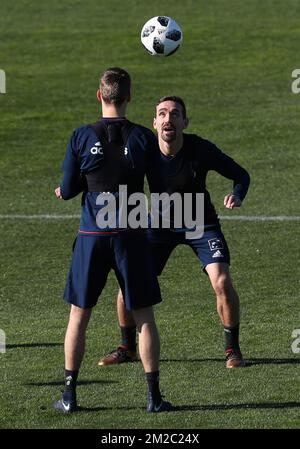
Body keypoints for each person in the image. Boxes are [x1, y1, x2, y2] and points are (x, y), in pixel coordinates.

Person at [98, 96, 250, 369]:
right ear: (155, 123)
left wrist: (237, 194)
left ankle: (233, 350)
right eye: (163, 114)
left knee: (222, 282)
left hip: (200, 223)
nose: (169, 118)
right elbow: (115, 175)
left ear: (184, 122)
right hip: (159, 224)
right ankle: (127, 347)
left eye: (175, 114)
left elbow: (241, 174)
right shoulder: (144, 150)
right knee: (128, 282)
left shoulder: (200, 149)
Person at [53, 68, 171, 413]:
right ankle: (153, 398)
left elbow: (71, 187)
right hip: (130, 236)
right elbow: (160, 186)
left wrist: (66, 190)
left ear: (99, 95)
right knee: (145, 316)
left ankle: (70, 396)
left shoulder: (80, 136)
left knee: (79, 314)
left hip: (92, 236)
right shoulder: (142, 138)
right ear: (129, 97)